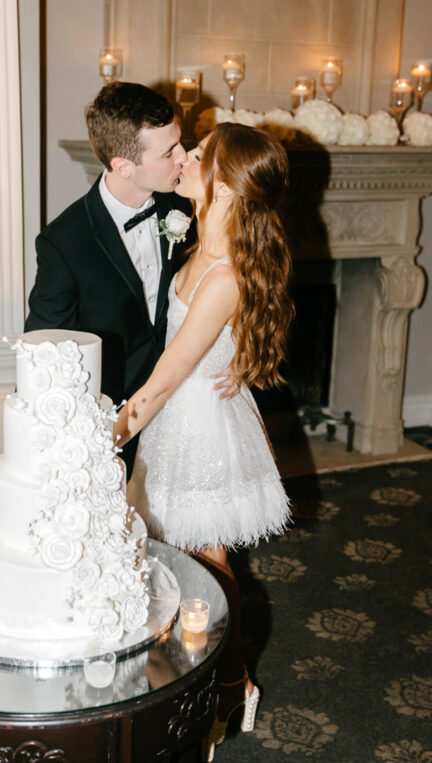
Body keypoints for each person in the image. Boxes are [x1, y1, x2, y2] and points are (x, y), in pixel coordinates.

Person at [114, 122, 294, 751]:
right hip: (177, 417)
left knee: (209, 565)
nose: (186, 158)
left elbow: (167, 378)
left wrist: (111, 430)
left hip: (194, 423)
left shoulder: (223, 275)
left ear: (226, 182)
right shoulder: (197, 239)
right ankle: (193, 678)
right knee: (172, 553)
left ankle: (228, 684)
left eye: (199, 154)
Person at [25, 81, 201, 471]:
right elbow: (43, 350)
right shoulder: (63, 243)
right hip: (113, 424)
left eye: (180, 142)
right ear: (123, 165)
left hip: (187, 401)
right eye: (169, 151)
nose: (184, 157)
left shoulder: (188, 202)